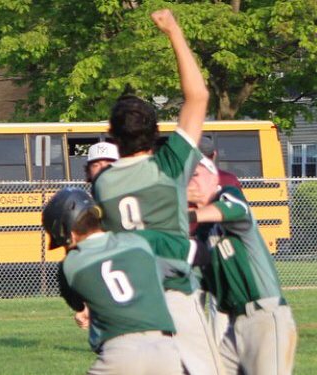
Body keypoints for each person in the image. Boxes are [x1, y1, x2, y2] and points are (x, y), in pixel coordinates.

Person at [90, 9, 221, 375]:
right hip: (174, 292)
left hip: (128, 303)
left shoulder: (104, 182)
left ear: (113, 138)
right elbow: (198, 96)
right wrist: (173, 31)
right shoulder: (169, 165)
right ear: (155, 131)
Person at [43, 187, 182, 375]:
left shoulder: (70, 265)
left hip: (121, 352)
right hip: (167, 351)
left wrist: (85, 310)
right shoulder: (137, 243)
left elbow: (80, 302)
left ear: (70, 233)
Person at [188, 158, 298, 375]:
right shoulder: (202, 232)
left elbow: (236, 209)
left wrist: (186, 215)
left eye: (196, 175)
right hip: (233, 325)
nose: (190, 182)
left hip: (264, 318)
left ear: (213, 178)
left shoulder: (228, 195)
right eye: (186, 178)